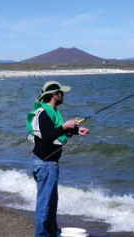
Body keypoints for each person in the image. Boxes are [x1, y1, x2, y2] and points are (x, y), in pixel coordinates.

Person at [26, 81, 90, 237]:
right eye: (61, 92)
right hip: (45, 163)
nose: (63, 95)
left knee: (51, 202)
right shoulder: (43, 113)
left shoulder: (50, 112)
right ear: (55, 95)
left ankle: (52, 232)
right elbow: (47, 136)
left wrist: (75, 130)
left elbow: (54, 132)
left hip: (49, 163)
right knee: (45, 204)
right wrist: (63, 128)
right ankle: (42, 235)